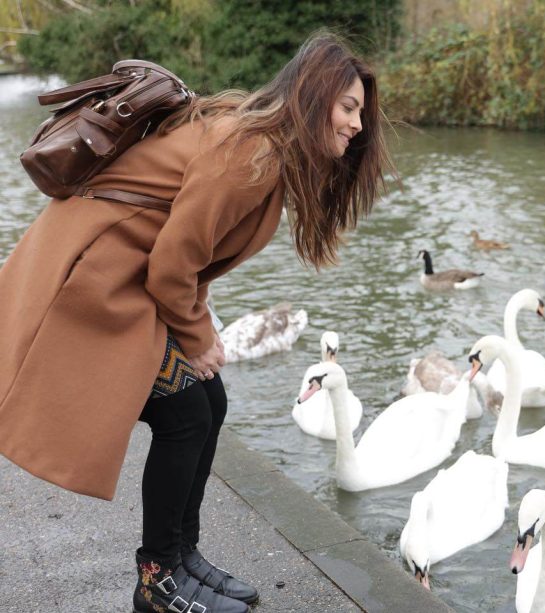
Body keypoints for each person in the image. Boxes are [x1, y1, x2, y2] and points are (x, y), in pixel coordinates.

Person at [0, 31, 392, 613]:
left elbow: (187, 250)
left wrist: (196, 330)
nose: (358, 125)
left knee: (209, 403)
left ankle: (183, 558)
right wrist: (199, 335)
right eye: (348, 108)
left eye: (360, 112)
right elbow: (173, 264)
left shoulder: (262, 146)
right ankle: (158, 579)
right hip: (94, 278)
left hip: (124, 275)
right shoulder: (251, 154)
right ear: (313, 100)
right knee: (186, 413)